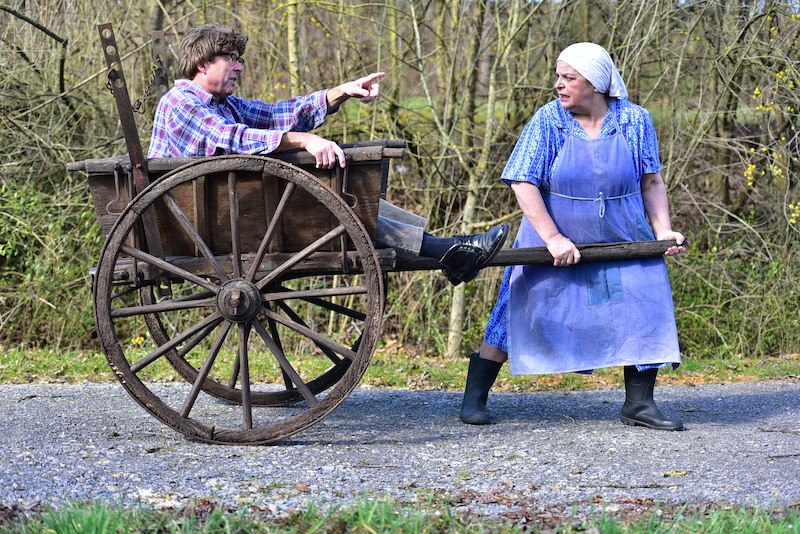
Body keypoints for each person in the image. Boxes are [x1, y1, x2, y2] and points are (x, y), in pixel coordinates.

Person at [147, 23, 508, 285]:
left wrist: (341, 92)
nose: (239, 66)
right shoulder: (181, 102)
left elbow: (276, 114)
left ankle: (451, 248)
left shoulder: (225, 104)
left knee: (353, 198)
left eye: (239, 59)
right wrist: (304, 141)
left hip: (232, 214)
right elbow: (233, 138)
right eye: (231, 58)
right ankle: (449, 251)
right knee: (337, 203)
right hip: (201, 226)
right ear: (202, 63)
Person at [459, 42, 687, 430]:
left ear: (595, 84)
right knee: (520, 308)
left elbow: (651, 180)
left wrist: (663, 231)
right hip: (554, 239)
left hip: (623, 236)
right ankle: (474, 399)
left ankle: (639, 405)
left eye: (569, 77)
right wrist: (552, 238)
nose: (558, 84)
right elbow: (522, 182)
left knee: (643, 303)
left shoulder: (635, 121)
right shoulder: (549, 121)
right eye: (558, 76)